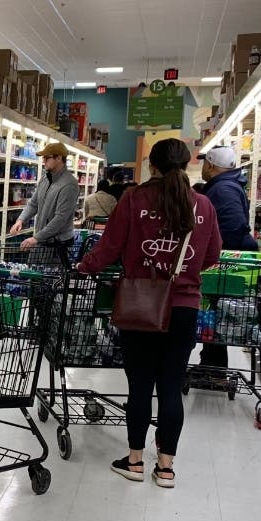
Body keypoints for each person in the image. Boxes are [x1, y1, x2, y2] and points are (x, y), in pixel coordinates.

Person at [77, 138, 222, 488]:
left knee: (140, 385)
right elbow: (212, 253)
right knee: (171, 387)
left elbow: (109, 247)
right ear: (186, 165)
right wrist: (184, 274)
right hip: (184, 307)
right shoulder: (202, 205)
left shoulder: (134, 199)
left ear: (151, 166)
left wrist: (84, 266)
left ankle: (135, 461)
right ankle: (167, 468)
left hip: (140, 305)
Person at [197, 145, 257, 370]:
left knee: (217, 312)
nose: (203, 166)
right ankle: (212, 365)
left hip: (225, 264)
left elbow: (232, 227)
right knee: (216, 315)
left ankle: (214, 366)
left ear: (211, 165)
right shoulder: (226, 185)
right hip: (224, 261)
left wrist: (214, 252)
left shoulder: (223, 189)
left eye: (204, 162)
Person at [9, 141, 81, 251]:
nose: (44, 161)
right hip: (43, 239)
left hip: (58, 244)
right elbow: (33, 204)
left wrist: (36, 238)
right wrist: (20, 220)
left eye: (47, 158)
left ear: (59, 158)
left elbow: (60, 219)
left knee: (51, 269)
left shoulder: (69, 185)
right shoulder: (45, 178)